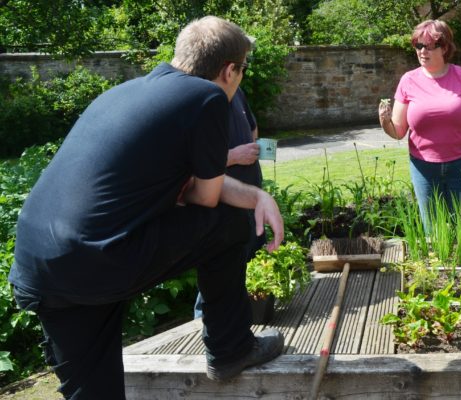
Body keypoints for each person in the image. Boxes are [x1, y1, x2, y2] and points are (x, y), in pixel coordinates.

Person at [9, 16, 285, 399]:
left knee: (94, 393)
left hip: (40, 268)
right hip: (102, 258)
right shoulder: (205, 99)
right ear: (229, 70)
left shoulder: (123, 92)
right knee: (231, 222)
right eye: (243, 70)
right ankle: (230, 348)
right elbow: (206, 200)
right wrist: (252, 199)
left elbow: (185, 185)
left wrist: (258, 196)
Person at [378, 19, 461, 226]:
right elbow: (398, 132)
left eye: (430, 46)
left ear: (445, 48)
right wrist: (385, 122)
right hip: (424, 169)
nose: (423, 51)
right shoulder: (408, 80)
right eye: (419, 45)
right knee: (433, 232)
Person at [194, 87, 264, 319]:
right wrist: (234, 155)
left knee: (245, 264)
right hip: (223, 203)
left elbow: (252, 128)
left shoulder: (238, 92)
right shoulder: (201, 100)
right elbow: (192, 160)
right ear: (227, 68)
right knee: (218, 273)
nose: (243, 71)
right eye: (240, 66)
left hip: (249, 200)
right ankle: (198, 327)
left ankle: (242, 326)